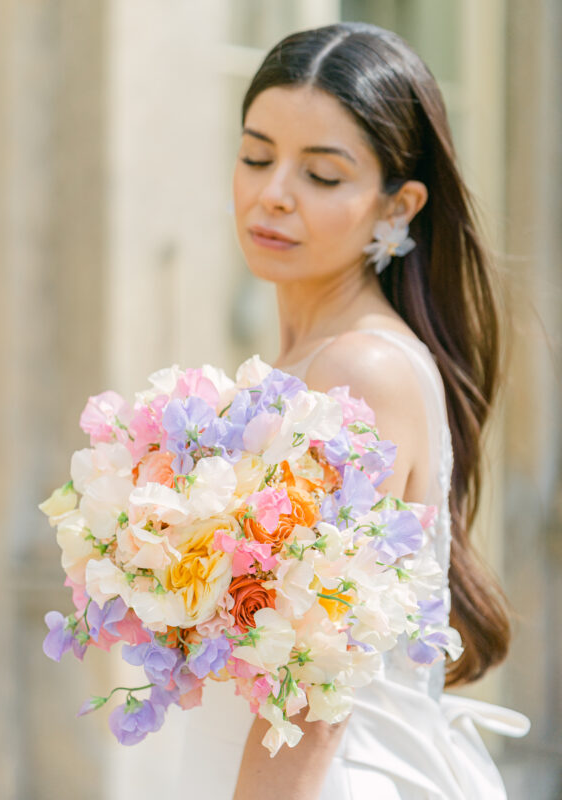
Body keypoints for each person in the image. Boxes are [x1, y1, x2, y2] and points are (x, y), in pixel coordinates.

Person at [225, 22, 530, 800]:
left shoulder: (356, 369)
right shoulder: (315, 357)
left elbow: (315, 671)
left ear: (399, 206)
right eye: (257, 156)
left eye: (322, 175)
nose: (273, 193)